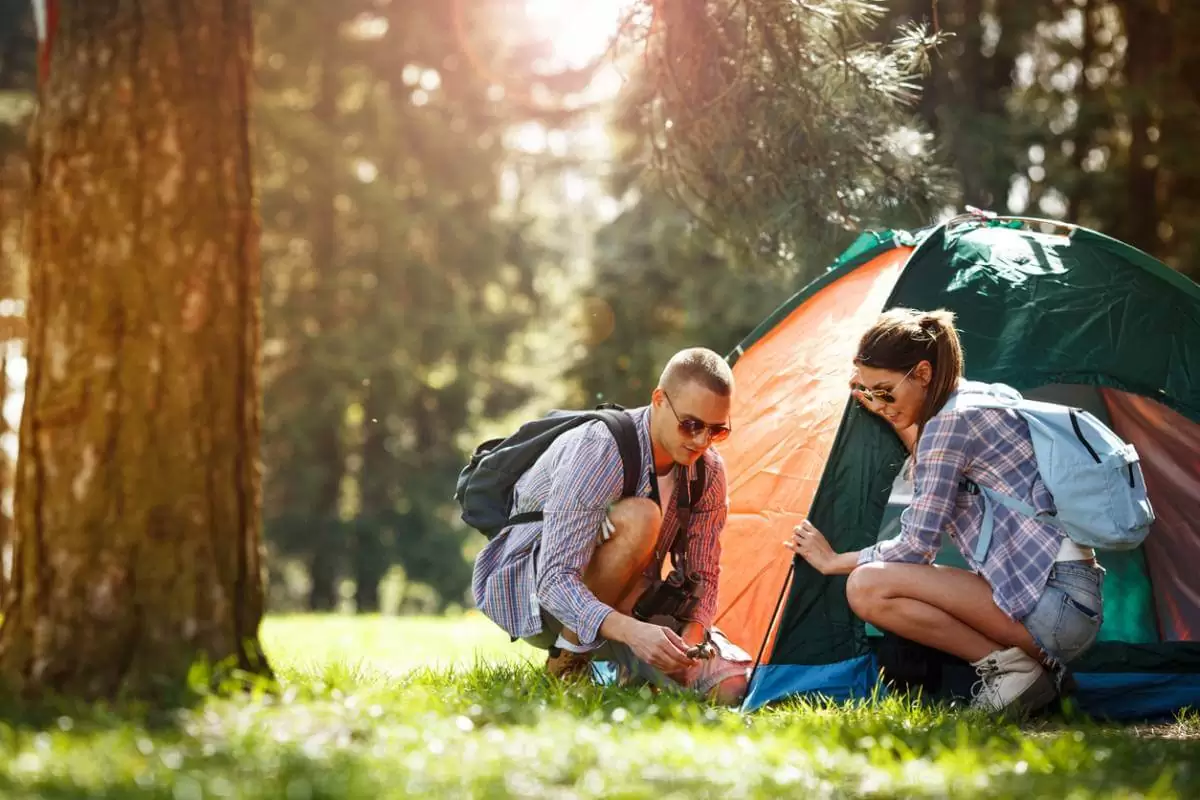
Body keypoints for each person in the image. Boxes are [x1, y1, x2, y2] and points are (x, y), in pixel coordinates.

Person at [786, 308, 1105, 714]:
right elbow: (935, 461)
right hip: (1069, 602)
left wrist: (835, 561)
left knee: (865, 586)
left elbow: (918, 547)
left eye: (885, 391)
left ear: (922, 373)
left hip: (1054, 606)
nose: (879, 403)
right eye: (870, 393)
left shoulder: (948, 426)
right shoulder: (972, 400)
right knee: (874, 582)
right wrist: (890, 407)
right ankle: (1036, 668)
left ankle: (1014, 671)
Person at [472, 347, 751, 704]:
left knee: (729, 688)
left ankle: (631, 673)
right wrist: (635, 633)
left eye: (716, 430)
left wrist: (692, 641)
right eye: (692, 424)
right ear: (659, 400)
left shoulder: (708, 471)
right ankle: (568, 661)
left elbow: (704, 574)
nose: (701, 441)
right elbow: (554, 580)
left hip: (631, 600)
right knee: (642, 518)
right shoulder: (600, 447)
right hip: (539, 598)